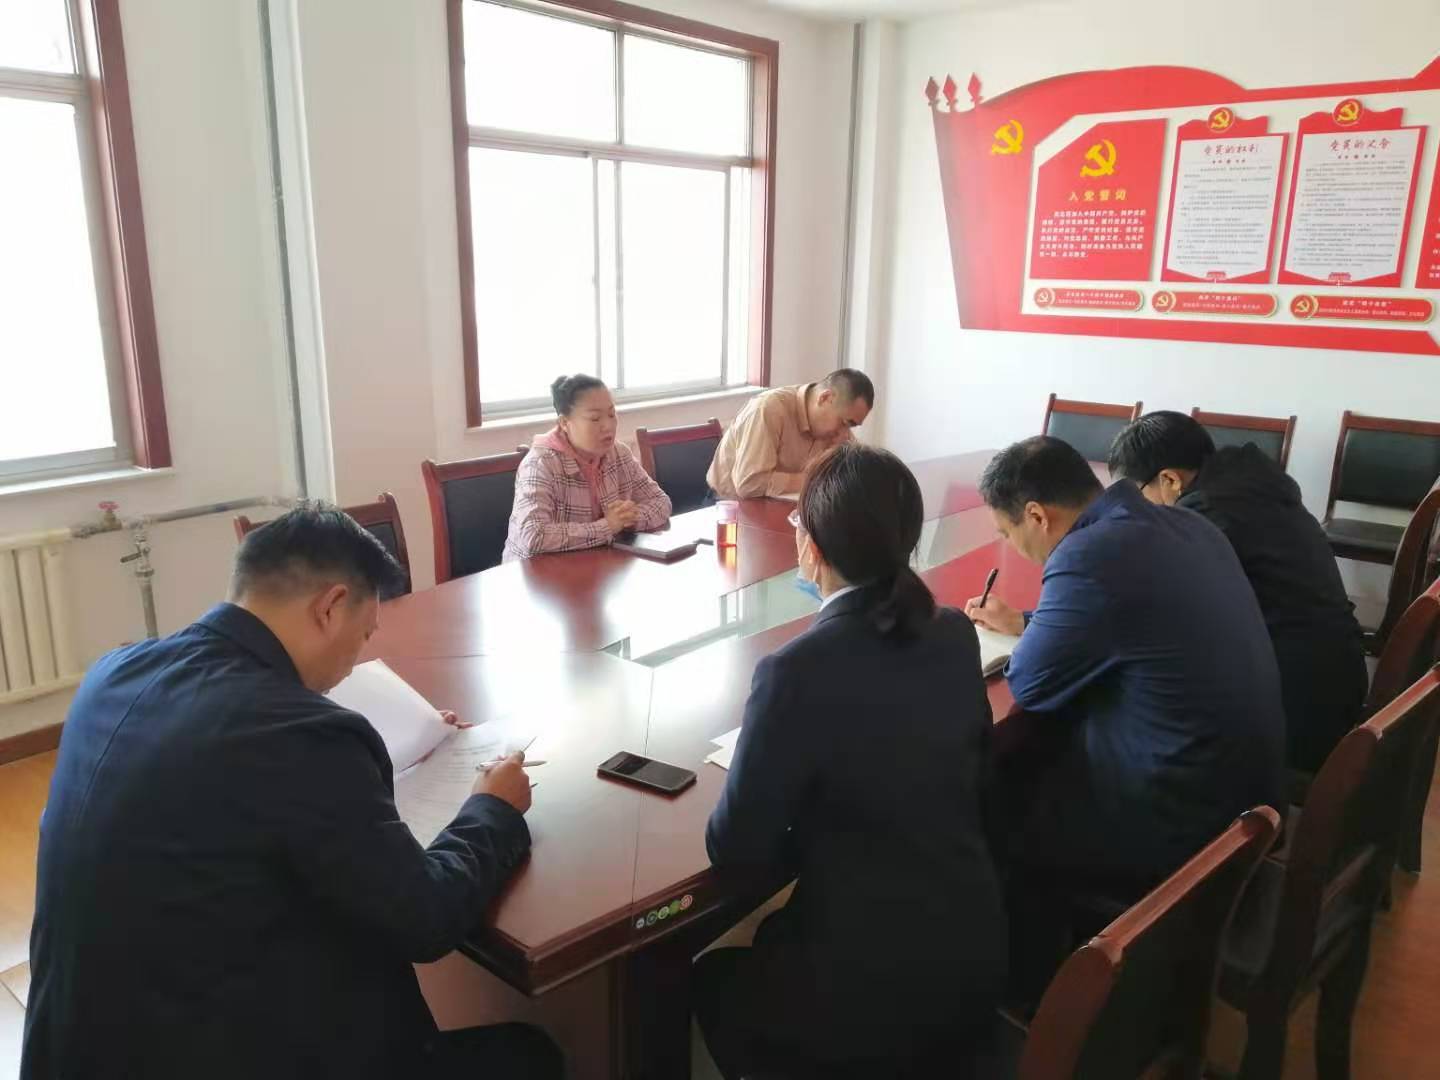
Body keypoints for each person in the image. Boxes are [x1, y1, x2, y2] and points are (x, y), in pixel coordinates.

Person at [23, 508, 562, 1080]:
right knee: (529, 1055)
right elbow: (425, 919)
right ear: (330, 607)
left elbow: (229, 778)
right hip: (211, 1052)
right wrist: (492, 809)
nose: (355, 660)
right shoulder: (301, 735)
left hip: (77, 1049)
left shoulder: (114, 672)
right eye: (364, 634)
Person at [696, 444, 1005, 1078]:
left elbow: (735, 849)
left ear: (811, 547)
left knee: (704, 975)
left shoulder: (794, 672)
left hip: (863, 996)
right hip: (972, 958)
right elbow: (973, 764)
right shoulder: (953, 631)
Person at [965, 436, 1284, 892]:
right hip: (1247, 803)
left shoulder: (1088, 553)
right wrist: (1027, 622)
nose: (1010, 546)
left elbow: (1031, 684)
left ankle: (1033, 934)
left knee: (992, 799)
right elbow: (1137, 616)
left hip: (1183, 829)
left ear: (1036, 516)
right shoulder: (1187, 522)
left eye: (1005, 533)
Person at [1108, 412, 1368, 774]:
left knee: (1125, 713)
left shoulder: (1207, 515)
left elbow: (1162, 611)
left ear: (1169, 480)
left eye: (1137, 497)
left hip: (1296, 710)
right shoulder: (1248, 482)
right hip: (1333, 678)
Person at [505, 374, 671, 560]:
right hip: (536, 572)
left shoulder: (619, 453)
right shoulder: (540, 464)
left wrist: (629, 519)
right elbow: (534, 536)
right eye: (595, 418)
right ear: (564, 423)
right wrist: (608, 526)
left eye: (611, 414)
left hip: (596, 564)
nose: (608, 425)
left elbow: (661, 502)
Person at [705, 368, 875, 500]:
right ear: (825, 398)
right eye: (844, 423)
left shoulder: (836, 429)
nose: (845, 433)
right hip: (729, 509)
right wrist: (812, 480)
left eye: (852, 426)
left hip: (781, 507)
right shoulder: (768, 409)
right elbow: (749, 484)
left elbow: (854, 473)